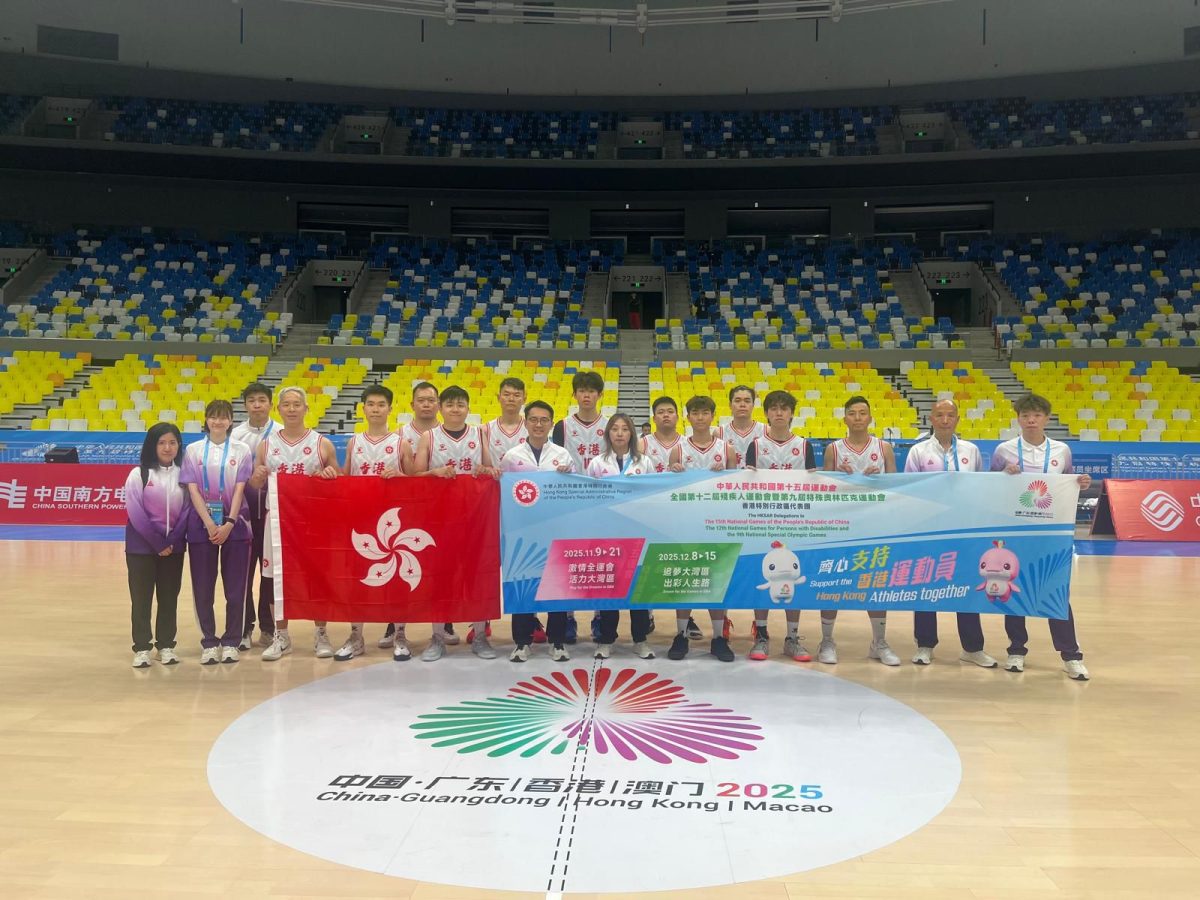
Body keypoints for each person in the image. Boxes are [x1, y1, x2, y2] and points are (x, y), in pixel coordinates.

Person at [990, 392, 1093, 680]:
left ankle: (1071, 655)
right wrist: (1003, 475)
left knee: (1056, 593)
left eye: (1036, 415)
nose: (1031, 420)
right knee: (1014, 590)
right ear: (1018, 419)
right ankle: (1016, 650)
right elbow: (989, 486)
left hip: (1052, 534)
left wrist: (1081, 482)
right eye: (1025, 415)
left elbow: (1069, 482)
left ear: (1046, 418)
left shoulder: (1062, 451)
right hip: (1015, 531)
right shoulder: (1004, 450)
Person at [248, 386, 341, 661]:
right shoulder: (266, 445)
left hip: (312, 521)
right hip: (277, 522)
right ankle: (281, 636)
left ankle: (321, 633)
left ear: (306, 408)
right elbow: (255, 484)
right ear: (278, 409)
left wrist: (330, 473)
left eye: (296, 404)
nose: (291, 409)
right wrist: (257, 477)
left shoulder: (322, 443)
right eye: (286, 404)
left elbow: (338, 478)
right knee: (275, 579)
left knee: (316, 577)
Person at [904, 399, 997, 668]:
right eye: (939, 415)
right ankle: (925, 645)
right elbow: (909, 490)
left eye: (950, 415)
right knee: (925, 586)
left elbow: (980, 489)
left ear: (957, 419)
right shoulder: (918, 451)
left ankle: (972, 648)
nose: (945, 420)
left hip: (964, 531)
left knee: (966, 586)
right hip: (929, 531)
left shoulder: (971, 450)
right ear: (931, 419)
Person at [412, 385, 498, 662]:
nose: (455, 409)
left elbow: (491, 470)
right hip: (440, 518)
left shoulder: (479, 433)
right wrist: (434, 472)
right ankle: (437, 637)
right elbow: (415, 476)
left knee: (477, 575)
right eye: (450, 404)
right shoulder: (428, 437)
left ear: (468, 408)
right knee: (440, 577)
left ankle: (480, 636)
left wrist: (486, 470)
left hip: (475, 517)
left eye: (461, 404)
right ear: (441, 408)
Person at [821, 395, 901, 666]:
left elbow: (896, 490)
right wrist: (839, 478)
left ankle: (879, 642)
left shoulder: (884, 448)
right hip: (840, 527)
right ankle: (827, 640)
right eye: (852, 413)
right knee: (832, 583)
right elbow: (824, 492)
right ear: (844, 418)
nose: (857, 417)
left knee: (874, 582)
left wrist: (879, 481)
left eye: (862, 413)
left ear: (870, 417)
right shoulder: (833, 449)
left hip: (874, 526)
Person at [334, 384, 408, 662]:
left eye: (381, 404)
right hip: (361, 522)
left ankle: (400, 635)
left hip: (392, 525)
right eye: (371, 404)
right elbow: (345, 478)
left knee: (397, 579)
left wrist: (400, 477)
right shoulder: (354, 442)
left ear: (390, 408)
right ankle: (356, 636)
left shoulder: (401, 443)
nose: (376, 409)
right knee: (357, 580)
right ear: (363, 408)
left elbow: (415, 482)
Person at [380, 381, 455, 652]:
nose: (426, 404)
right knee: (402, 567)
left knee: (441, 568)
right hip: (407, 510)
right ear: (412, 404)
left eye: (431, 400)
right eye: (421, 400)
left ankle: (445, 623)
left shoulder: (448, 431)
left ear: (438, 404)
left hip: (441, 511)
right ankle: (395, 625)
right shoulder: (399, 436)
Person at [500, 400, 575, 663]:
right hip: (523, 534)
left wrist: (568, 475)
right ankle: (522, 642)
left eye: (544, 420)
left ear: (551, 424)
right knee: (522, 586)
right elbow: (503, 492)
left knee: (557, 587)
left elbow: (574, 493)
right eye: (534, 419)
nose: (539, 424)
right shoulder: (512, 456)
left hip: (556, 531)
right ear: (526, 422)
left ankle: (557, 641)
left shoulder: (563, 455)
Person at [747, 390, 818, 662]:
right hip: (762, 521)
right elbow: (747, 485)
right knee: (762, 577)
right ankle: (761, 635)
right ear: (766, 413)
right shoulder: (756, 445)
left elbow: (814, 486)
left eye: (784, 408)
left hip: (795, 521)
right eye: (774, 408)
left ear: (791, 413)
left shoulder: (804, 445)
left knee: (791, 578)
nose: (779, 413)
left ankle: (792, 637)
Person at [180, 399, 253, 664]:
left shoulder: (242, 449)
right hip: (201, 526)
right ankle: (209, 642)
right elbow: (192, 489)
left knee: (236, 589)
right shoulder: (193, 450)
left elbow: (240, 488)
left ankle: (232, 640)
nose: (218, 421)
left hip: (236, 525)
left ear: (231, 420)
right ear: (206, 419)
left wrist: (229, 522)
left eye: (223, 417)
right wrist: (210, 524)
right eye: (213, 416)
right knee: (203, 588)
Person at [669, 395, 735, 662]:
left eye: (704, 413)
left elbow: (736, 490)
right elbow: (668, 492)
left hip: (718, 525)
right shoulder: (678, 450)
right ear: (688, 417)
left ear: (712, 416)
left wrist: (726, 474)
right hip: (686, 525)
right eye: (695, 413)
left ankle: (718, 637)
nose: (699, 417)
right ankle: (681, 635)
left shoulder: (726, 448)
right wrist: (673, 472)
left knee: (717, 580)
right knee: (686, 580)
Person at [586, 413, 655, 660]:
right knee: (609, 587)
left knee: (638, 588)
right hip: (608, 534)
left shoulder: (644, 462)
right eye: (614, 428)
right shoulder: (597, 463)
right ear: (608, 433)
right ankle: (606, 640)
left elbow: (653, 494)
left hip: (637, 533)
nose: (619, 433)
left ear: (631, 434)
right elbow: (588, 496)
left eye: (625, 429)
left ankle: (640, 640)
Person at [125, 423, 190, 667]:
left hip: (174, 549)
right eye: (161, 442)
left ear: (179, 446)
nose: (167, 447)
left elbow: (187, 510)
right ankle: (142, 647)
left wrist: (171, 541)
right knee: (141, 599)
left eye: (172, 442)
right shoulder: (138, 474)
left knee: (169, 598)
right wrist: (157, 542)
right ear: (152, 445)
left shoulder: (184, 475)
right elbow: (135, 512)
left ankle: (166, 646)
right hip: (141, 549)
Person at [552, 370, 610, 644]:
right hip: (569, 500)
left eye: (591, 390)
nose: (587, 395)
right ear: (574, 394)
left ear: (600, 394)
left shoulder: (610, 425)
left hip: (602, 500)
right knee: (569, 559)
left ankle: (600, 617)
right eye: (582, 390)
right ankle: (568, 617)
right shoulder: (562, 426)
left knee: (600, 560)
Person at [230, 382, 279, 651]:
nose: (257, 405)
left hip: (273, 517)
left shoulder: (281, 433)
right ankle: (244, 628)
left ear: (270, 404)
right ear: (245, 405)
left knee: (270, 575)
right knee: (243, 575)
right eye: (252, 400)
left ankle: (269, 629)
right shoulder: (235, 435)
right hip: (243, 517)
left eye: (262, 400)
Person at [721, 384, 766, 469]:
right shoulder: (720, 432)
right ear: (730, 405)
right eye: (737, 401)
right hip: (730, 477)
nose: (742, 404)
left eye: (747, 401)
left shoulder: (766, 431)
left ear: (753, 405)